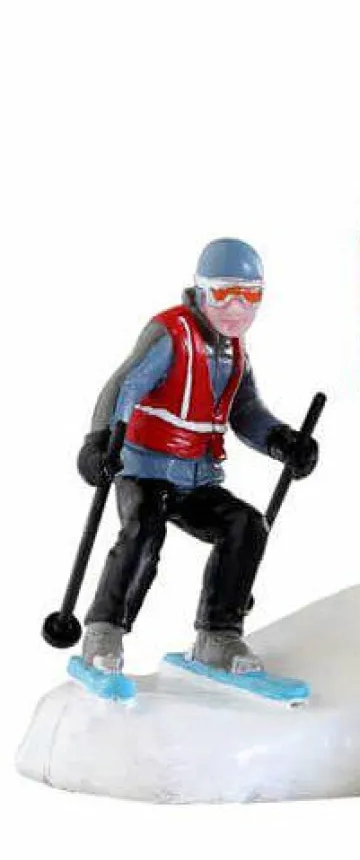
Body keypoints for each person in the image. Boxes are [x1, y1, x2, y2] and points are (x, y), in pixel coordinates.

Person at [74, 238, 318, 696]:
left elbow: (246, 412)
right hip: (143, 469)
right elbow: (124, 385)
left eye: (250, 295)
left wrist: (282, 440)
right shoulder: (172, 334)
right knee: (143, 532)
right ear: (201, 290)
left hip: (196, 477)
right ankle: (103, 634)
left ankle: (218, 636)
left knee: (246, 525)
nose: (236, 307)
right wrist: (99, 440)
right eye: (224, 292)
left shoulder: (235, 352)